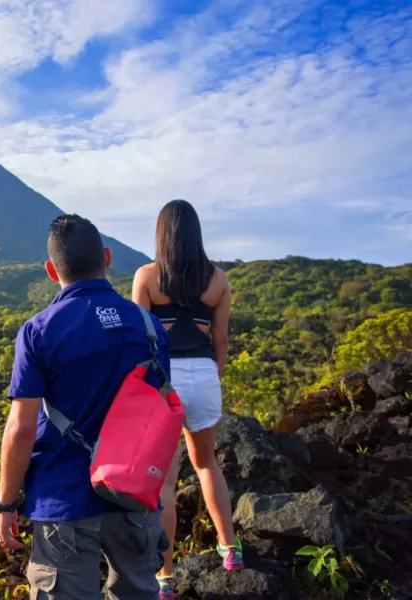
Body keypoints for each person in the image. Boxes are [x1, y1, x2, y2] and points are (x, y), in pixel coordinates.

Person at [0, 214, 172, 600]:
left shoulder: (39, 331)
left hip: (64, 496)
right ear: (107, 257)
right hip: (135, 495)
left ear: (50, 270)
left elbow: (21, 428)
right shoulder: (149, 326)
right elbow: (160, 413)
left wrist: (5, 503)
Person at [132, 199, 243, 599]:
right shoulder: (218, 280)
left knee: (164, 481)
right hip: (203, 375)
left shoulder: (147, 277)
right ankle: (230, 549)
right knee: (207, 464)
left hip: (165, 381)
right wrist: (214, 376)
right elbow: (221, 340)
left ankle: (164, 578)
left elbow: (139, 341)